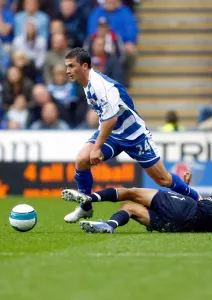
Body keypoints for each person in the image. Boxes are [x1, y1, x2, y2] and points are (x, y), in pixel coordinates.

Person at [63, 47, 200, 223]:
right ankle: (86, 207)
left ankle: (196, 198)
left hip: (135, 136)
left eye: (71, 66)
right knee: (82, 159)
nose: (67, 71)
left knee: (163, 179)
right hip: (113, 134)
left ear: (84, 66)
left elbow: (110, 120)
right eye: (66, 66)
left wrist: (97, 148)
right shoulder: (86, 84)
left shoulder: (100, 85)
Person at [61, 171, 212, 233]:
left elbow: (194, 204)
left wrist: (185, 189)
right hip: (183, 226)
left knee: (132, 193)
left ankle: (89, 199)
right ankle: (109, 225)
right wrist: (187, 188)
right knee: (129, 208)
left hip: (188, 208)